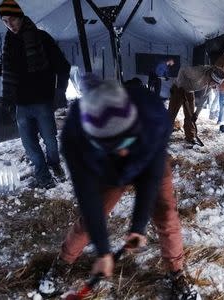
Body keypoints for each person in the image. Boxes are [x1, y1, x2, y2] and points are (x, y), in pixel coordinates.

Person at [40, 74, 197, 299]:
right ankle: (62, 264)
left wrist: (138, 227)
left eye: (124, 142)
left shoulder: (154, 115)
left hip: (147, 157)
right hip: (106, 171)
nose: (122, 152)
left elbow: (150, 177)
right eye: (112, 146)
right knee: (90, 220)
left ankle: (176, 272)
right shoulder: (75, 139)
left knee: (166, 214)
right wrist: (103, 252)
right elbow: (89, 199)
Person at [0, 0, 71, 188]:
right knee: (30, 146)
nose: (9, 25)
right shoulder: (9, 44)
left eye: (12, 19)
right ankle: (44, 178)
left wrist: (60, 91)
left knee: (50, 141)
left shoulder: (41, 38)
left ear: (20, 17)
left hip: (43, 102)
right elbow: (5, 70)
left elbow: (63, 66)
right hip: (20, 104)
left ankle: (54, 164)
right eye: (5, 21)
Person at [168, 65, 224, 144]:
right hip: (178, 87)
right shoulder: (198, 73)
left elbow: (203, 101)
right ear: (211, 78)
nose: (215, 86)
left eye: (217, 84)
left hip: (189, 91)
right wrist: (180, 85)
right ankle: (164, 133)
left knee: (190, 116)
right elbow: (183, 70)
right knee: (172, 113)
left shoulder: (209, 86)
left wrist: (196, 114)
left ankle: (190, 137)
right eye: (215, 83)